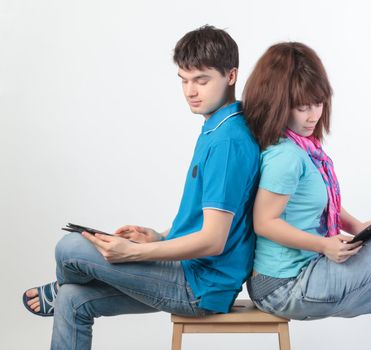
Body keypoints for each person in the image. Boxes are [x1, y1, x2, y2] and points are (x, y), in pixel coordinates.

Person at [22, 25, 260, 350]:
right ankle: (65, 286)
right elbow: (206, 220)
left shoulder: (227, 142)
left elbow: (214, 240)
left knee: (69, 248)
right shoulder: (217, 128)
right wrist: (159, 236)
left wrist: (135, 252)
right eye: (184, 80)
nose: (191, 90)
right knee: (72, 299)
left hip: (199, 285)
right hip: (189, 272)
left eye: (201, 80)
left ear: (231, 76)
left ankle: (65, 279)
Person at [242, 42, 371, 350]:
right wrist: (323, 244)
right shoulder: (286, 157)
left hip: (309, 272)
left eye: (318, 103)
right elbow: (264, 223)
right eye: (302, 106)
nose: (313, 115)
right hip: (283, 286)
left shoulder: (306, 148)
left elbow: (322, 202)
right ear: (278, 103)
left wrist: (358, 227)